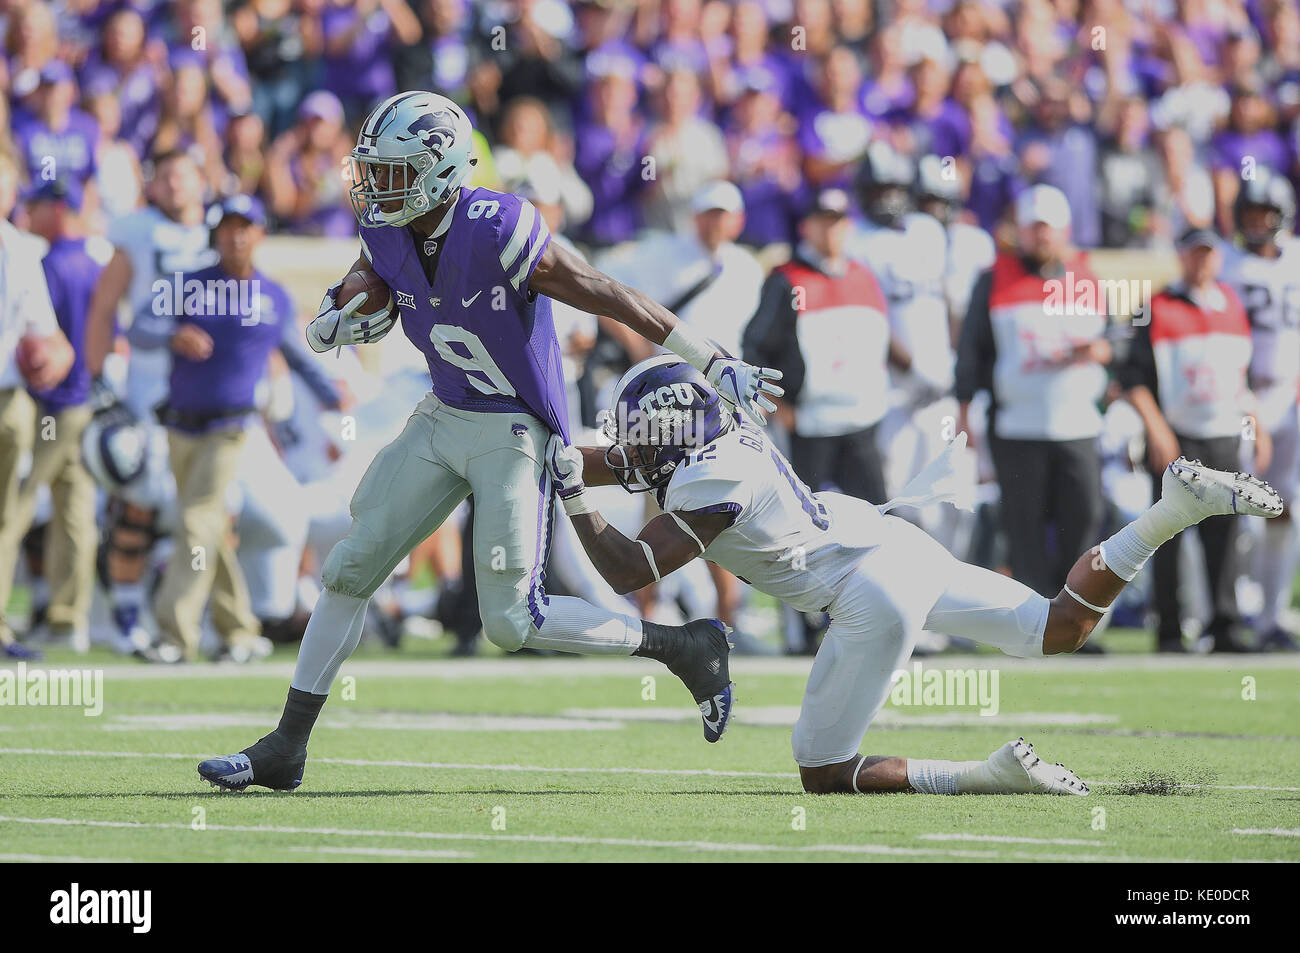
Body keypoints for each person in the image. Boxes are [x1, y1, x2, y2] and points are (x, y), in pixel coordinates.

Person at [197, 92, 783, 792]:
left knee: (511, 621)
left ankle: (685, 646)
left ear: (439, 169)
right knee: (350, 568)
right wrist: (336, 306)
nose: (375, 186)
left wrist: (714, 360)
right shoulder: (387, 219)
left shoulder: (498, 224)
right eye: (373, 171)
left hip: (514, 426)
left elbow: (605, 290)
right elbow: (372, 270)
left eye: (392, 172)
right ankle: (287, 744)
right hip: (445, 409)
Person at [542, 354, 1282, 794]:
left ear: (675, 433)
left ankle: (986, 774)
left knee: (821, 770)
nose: (627, 450)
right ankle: (1172, 513)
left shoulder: (710, 485)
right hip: (893, 543)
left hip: (867, 592)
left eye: (640, 435)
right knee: (1056, 628)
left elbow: (624, 568)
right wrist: (559, 458)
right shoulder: (717, 437)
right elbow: (626, 462)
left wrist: (570, 491)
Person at [955, 184, 1110, 604]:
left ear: (1065, 231)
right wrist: (964, 410)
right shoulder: (993, 280)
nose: (1042, 237)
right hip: (1016, 426)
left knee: (1082, 520)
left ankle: (1074, 618)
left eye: (1049, 229)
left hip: (1077, 424)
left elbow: (1115, 340)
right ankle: (1030, 624)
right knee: (1022, 527)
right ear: (1019, 231)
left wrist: (1102, 350)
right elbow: (972, 348)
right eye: (1034, 228)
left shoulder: (1087, 278)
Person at [1121, 227, 1270, 653]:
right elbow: (1132, 378)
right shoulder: (1155, 306)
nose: (1203, 261)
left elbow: (1240, 375)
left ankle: (1223, 626)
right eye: (1195, 253)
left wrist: (1254, 423)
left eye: (1209, 254)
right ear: (1182, 257)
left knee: (1225, 535)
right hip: (1178, 435)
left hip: (1223, 431)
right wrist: (1157, 428)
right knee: (1167, 534)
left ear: (1218, 259)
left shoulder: (1231, 305)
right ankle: (1169, 629)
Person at [0, 179, 104, 654]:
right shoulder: (98, 261)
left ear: (58, 209)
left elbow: (42, 345)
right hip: (86, 398)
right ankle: (68, 619)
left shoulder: (50, 262)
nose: (27, 212)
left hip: (51, 404)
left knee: (15, 511)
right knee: (75, 510)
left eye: (36, 204)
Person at [744, 188, 896, 505]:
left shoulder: (863, 277)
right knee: (804, 520)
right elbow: (756, 345)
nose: (831, 231)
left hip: (862, 422)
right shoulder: (785, 280)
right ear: (806, 227)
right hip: (810, 427)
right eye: (823, 221)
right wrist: (777, 405)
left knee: (877, 517)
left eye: (837, 222)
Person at [1220, 169, 1300, 651]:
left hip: (1288, 398)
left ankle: (1271, 618)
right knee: (1233, 507)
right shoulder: (1227, 263)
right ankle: (1225, 612)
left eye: (1264, 214)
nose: (1255, 223)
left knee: (1284, 510)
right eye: (1248, 213)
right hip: (1240, 400)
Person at [0, 155, 75, 659]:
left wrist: (55, 358)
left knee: (7, 517)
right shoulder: (19, 247)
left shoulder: (19, 249)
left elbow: (45, 334)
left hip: (10, 399)